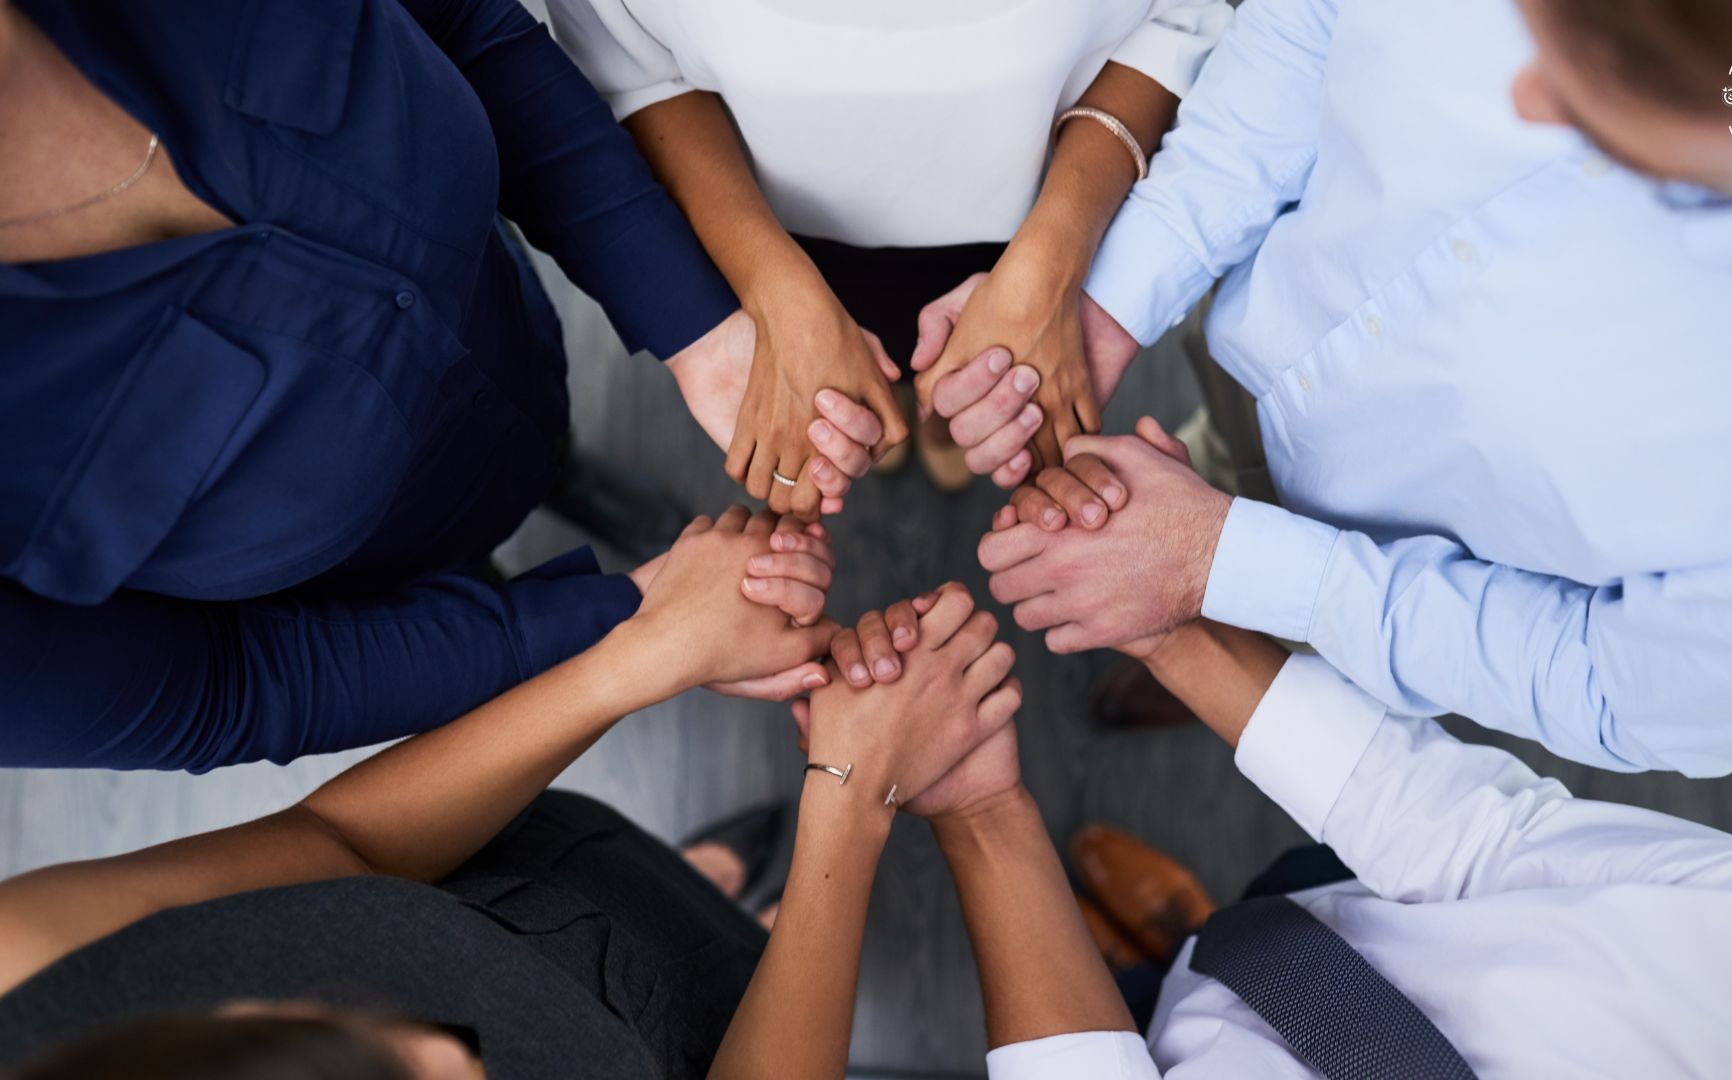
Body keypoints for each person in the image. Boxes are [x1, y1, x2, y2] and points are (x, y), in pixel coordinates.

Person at [945, 0, 1732, 776]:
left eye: (1605, 101)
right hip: (1255, 315)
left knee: (1272, 658)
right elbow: (1320, 18)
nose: (1530, 102)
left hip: (1399, 577)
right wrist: (1116, 296)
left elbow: (1611, 689)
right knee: (1192, 472)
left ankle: (1229, 655)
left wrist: (1225, 567)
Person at [0, 0, 865, 771]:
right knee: (452, 580)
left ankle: (566, 469)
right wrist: (625, 622)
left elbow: (458, 20)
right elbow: (226, 687)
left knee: (539, 424)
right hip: (380, 569)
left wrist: (698, 332)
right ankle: (547, 527)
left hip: (506, 326)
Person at [829, 509, 1732, 1077]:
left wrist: (981, 814)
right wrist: (1172, 622)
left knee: (1126, 1004)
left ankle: (1150, 964)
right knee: (1265, 922)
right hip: (1346, 945)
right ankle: (1180, 944)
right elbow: (1487, 851)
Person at [0, 508, 1026, 1080]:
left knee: (655, 899)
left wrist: (642, 654)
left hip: (516, 876)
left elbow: (335, 841)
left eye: (339, 1016)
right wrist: (848, 799)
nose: (459, 1045)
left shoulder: (28, 967)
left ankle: (714, 888)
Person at [545, 0, 1231, 510]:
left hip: (1041, 198)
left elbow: (1175, 18)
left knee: (960, 383)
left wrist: (1050, 266)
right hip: (769, 217)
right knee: (867, 376)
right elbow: (636, 60)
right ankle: (913, 409)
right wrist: (775, 291)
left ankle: (936, 416)